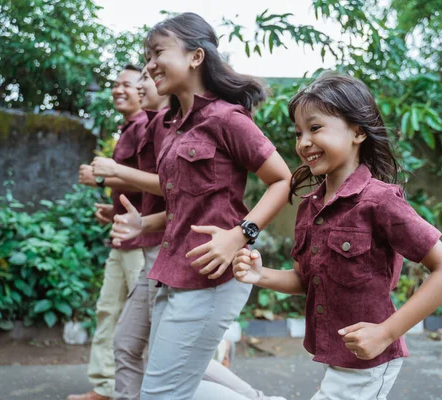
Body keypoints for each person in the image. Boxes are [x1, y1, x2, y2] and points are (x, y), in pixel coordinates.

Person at [232, 73, 442, 400]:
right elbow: (308, 279)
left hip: (369, 361)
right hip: (339, 355)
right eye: (298, 133)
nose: (303, 143)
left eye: (315, 128)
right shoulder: (310, 206)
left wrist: (386, 332)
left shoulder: (380, 201)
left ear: (357, 131)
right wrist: (260, 275)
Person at [98, 12, 292, 400]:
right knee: (178, 383)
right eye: (147, 55)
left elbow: (283, 179)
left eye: (157, 52)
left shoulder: (226, 118)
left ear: (196, 56)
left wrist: (241, 235)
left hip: (212, 275)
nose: (149, 65)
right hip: (172, 270)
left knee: (160, 392)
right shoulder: (172, 126)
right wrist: (144, 224)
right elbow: (184, 206)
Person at [71, 64, 161, 400]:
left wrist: (102, 178)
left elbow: (157, 181)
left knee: (152, 323)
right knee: (109, 311)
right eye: (116, 84)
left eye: (131, 84)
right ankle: (106, 386)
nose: (120, 90)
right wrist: (114, 210)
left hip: (144, 240)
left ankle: (164, 388)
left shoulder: (150, 126)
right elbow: (140, 185)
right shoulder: (130, 128)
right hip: (123, 236)